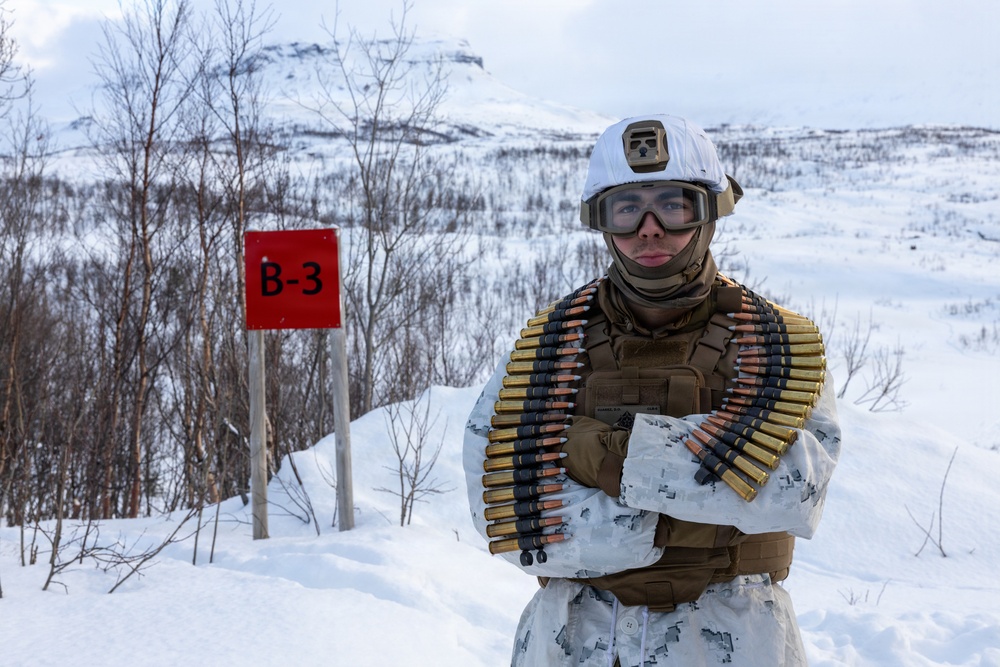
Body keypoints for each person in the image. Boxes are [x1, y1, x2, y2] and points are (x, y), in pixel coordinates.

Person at [463, 114, 841, 666]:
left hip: (730, 636)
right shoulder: (548, 342)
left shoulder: (779, 340)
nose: (648, 227)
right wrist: (704, 513)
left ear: (710, 211)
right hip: (573, 637)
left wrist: (597, 454)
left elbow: (793, 494)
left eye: (672, 204)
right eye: (626, 208)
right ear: (603, 221)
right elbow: (507, 516)